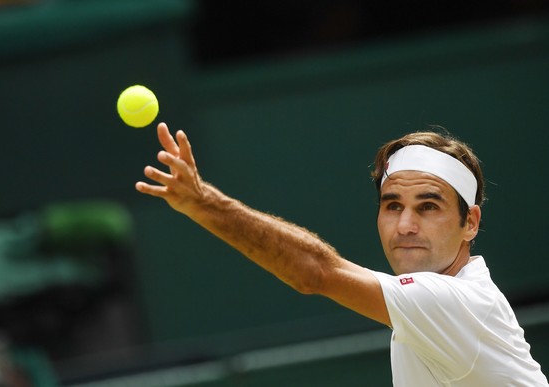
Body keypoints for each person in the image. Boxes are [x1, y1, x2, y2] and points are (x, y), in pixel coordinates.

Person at [136, 122, 548, 386]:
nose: (405, 225)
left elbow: (315, 272)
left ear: (470, 223)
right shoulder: (431, 306)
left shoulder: (453, 302)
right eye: (392, 206)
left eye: (428, 207)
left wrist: (203, 203)